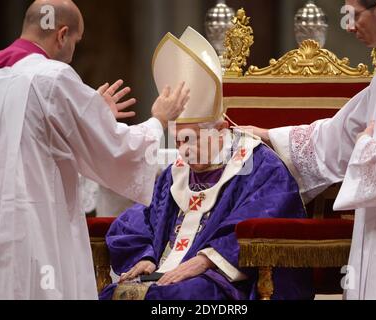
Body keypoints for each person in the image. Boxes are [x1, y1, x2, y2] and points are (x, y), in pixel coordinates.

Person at [0, 0, 189, 300]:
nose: (74, 50)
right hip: (29, 223)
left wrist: (92, 113)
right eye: (76, 41)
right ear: (62, 34)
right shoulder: (52, 77)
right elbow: (115, 149)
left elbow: (30, 131)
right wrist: (158, 120)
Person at [99, 27, 314, 301]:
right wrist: (145, 256)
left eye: (194, 139)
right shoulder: (175, 172)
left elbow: (268, 221)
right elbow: (140, 218)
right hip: (165, 272)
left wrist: (207, 259)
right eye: (178, 141)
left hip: (227, 279)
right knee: (116, 294)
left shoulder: (258, 165)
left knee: (179, 297)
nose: (185, 151)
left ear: (222, 129)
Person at [246, 0, 376, 300]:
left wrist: (364, 145)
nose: (349, 26)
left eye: (354, 16)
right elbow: (340, 133)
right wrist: (267, 136)